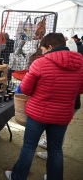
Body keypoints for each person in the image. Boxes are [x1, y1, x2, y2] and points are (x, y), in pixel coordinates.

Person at [5, 33, 83, 180]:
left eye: (42, 49)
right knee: (56, 149)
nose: (41, 52)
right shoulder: (79, 64)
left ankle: (18, 177)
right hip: (62, 115)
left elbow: (26, 89)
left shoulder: (40, 63)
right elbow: (80, 89)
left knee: (29, 147)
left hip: (38, 113)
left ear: (50, 47)